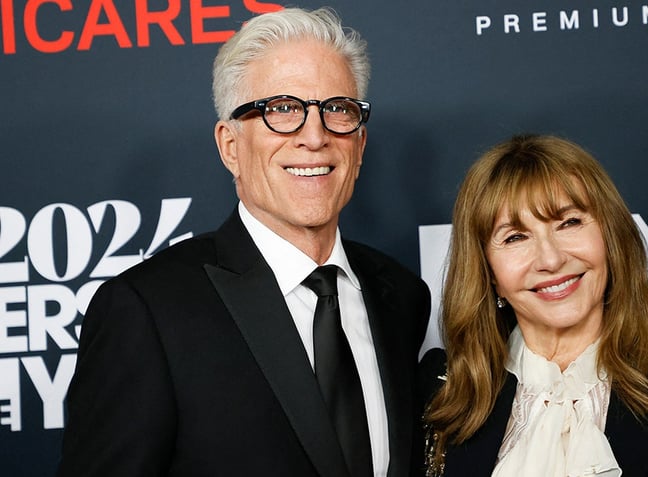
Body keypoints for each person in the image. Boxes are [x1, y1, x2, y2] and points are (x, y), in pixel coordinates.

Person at [58, 7, 430, 477]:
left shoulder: (400, 295)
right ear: (230, 146)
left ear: (359, 144)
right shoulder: (147, 311)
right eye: (282, 111)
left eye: (337, 110)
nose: (314, 137)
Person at [417, 134, 648, 477]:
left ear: (610, 236)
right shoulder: (442, 397)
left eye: (569, 222)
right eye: (515, 237)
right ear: (488, 271)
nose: (551, 259)